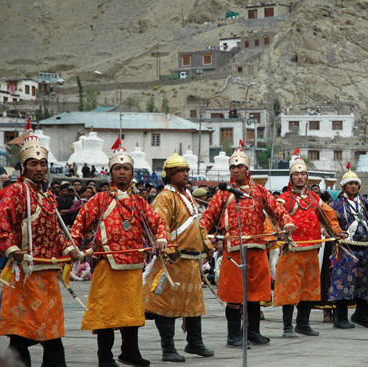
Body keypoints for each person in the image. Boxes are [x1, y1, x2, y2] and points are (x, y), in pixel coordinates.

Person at [71, 147, 168, 367]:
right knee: (107, 313)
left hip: (133, 265)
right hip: (107, 265)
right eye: (118, 168)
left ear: (132, 173)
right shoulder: (99, 200)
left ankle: (130, 352)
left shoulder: (140, 202)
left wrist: (161, 238)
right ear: (110, 172)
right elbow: (78, 226)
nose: (122, 172)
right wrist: (73, 248)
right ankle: (104, 357)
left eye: (126, 168)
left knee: (131, 312)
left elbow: (158, 223)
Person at [0, 133, 79, 367]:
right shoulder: (16, 192)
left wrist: (70, 248)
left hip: (48, 275)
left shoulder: (48, 196)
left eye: (43, 164)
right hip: (25, 275)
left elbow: (56, 232)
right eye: (34, 163)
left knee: (52, 335)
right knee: (21, 336)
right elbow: (1, 223)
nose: (40, 168)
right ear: (24, 167)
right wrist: (12, 249)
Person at [199, 144, 295, 347]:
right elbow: (208, 217)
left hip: (258, 249)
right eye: (232, 167)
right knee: (234, 295)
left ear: (247, 169)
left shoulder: (259, 191)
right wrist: (201, 235)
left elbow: (276, 209)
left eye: (239, 166)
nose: (235, 170)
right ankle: (233, 336)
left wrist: (286, 221)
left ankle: (252, 332)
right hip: (234, 251)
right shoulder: (224, 193)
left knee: (254, 295)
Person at [143, 153, 214, 362]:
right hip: (173, 259)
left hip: (192, 261)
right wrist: (165, 244)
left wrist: (207, 246)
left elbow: (198, 224)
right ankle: (168, 348)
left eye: (186, 171)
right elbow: (159, 223)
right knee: (167, 306)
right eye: (180, 171)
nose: (185, 174)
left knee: (194, 304)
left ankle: (195, 342)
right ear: (170, 175)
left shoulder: (188, 195)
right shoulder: (165, 197)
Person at [274, 153, 342, 337]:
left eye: (303, 174)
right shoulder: (283, 198)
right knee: (289, 288)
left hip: (312, 250)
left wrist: (337, 231)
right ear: (291, 178)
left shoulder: (314, 198)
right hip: (292, 250)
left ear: (307, 176)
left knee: (309, 289)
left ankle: (302, 324)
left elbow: (329, 215)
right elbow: (275, 216)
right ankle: (287, 327)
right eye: (296, 174)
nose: (300, 177)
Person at [329, 164, 368, 329]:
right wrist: (337, 234)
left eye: (356, 184)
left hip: (364, 248)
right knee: (342, 282)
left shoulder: (364, 202)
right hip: (345, 249)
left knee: (363, 282)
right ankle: (340, 318)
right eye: (351, 184)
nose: (354, 186)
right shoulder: (336, 204)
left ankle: (361, 315)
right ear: (343, 187)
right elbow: (330, 224)